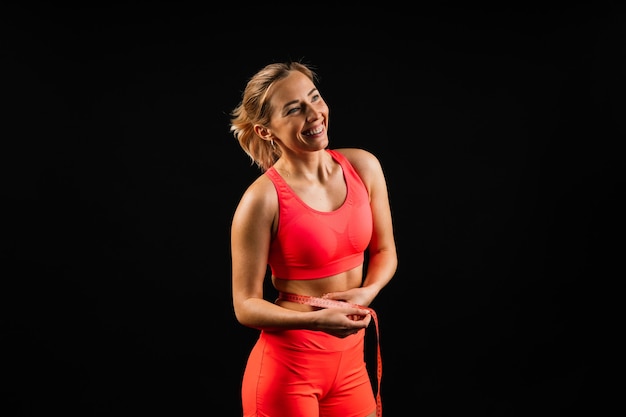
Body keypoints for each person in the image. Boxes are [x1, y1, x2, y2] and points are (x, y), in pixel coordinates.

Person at [228, 61, 398, 417]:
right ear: (264, 131)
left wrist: (367, 293)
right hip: (288, 370)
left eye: (314, 98)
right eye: (294, 109)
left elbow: (384, 251)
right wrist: (313, 320)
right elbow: (245, 305)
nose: (314, 114)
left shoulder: (363, 167)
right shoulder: (262, 200)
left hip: (351, 365)